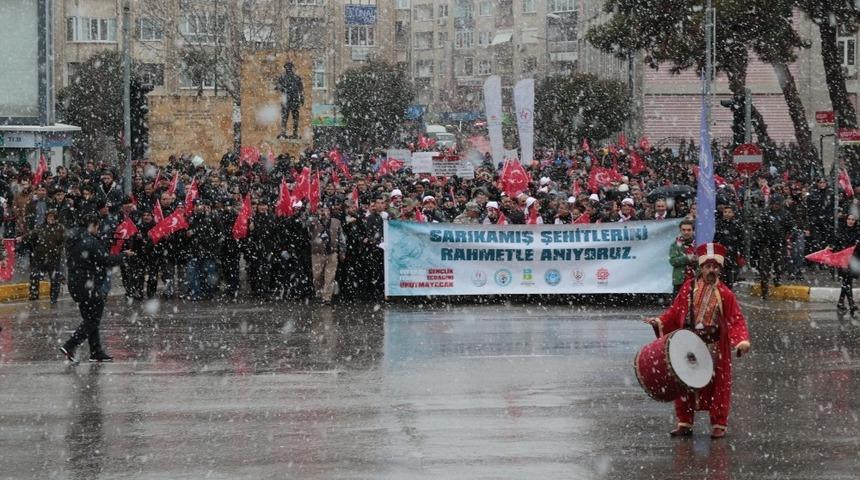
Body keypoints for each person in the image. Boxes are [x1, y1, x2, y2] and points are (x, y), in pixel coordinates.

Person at [645, 242, 751, 439]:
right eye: (708, 266)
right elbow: (675, 312)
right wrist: (659, 321)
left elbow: (735, 319)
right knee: (683, 381)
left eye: (715, 267)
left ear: (719, 269)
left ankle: (719, 423)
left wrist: (741, 340)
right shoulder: (688, 288)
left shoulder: (725, 294)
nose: (711, 270)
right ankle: (684, 421)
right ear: (701, 268)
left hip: (714, 346)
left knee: (719, 384)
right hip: (690, 343)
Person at [60, 213, 134, 363]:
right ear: (92, 225)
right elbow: (106, 260)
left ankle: (96, 351)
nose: (98, 230)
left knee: (89, 319)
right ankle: (70, 345)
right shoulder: (89, 242)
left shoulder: (73, 239)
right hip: (89, 284)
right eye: (97, 226)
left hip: (76, 284)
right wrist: (124, 256)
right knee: (93, 319)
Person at [21, 209, 65, 303]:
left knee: (54, 280)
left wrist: (57, 250)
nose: (51, 219)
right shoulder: (41, 227)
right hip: (40, 257)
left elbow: (64, 242)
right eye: (49, 216)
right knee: (34, 276)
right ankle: (34, 295)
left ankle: (53, 298)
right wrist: (22, 238)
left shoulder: (60, 228)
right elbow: (31, 234)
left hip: (53, 258)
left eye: (53, 217)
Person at [834, 214, 860, 315]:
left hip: (854, 260)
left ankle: (840, 302)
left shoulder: (857, 232)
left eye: (853, 219)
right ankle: (851, 303)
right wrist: (829, 247)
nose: (850, 221)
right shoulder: (841, 231)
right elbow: (835, 244)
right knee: (847, 281)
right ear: (846, 220)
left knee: (846, 281)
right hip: (843, 260)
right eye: (849, 219)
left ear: (855, 221)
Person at [669, 219, 697, 296]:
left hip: (696, 281)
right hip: (680, 281)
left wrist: (697, 260)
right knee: (678, 306)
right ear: (680, 231)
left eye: (689, 230)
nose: (686, 232)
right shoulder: (675, 245)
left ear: (693, 231)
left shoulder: (698, 244)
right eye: (683, 230)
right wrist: (687, 258)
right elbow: (672, 261)